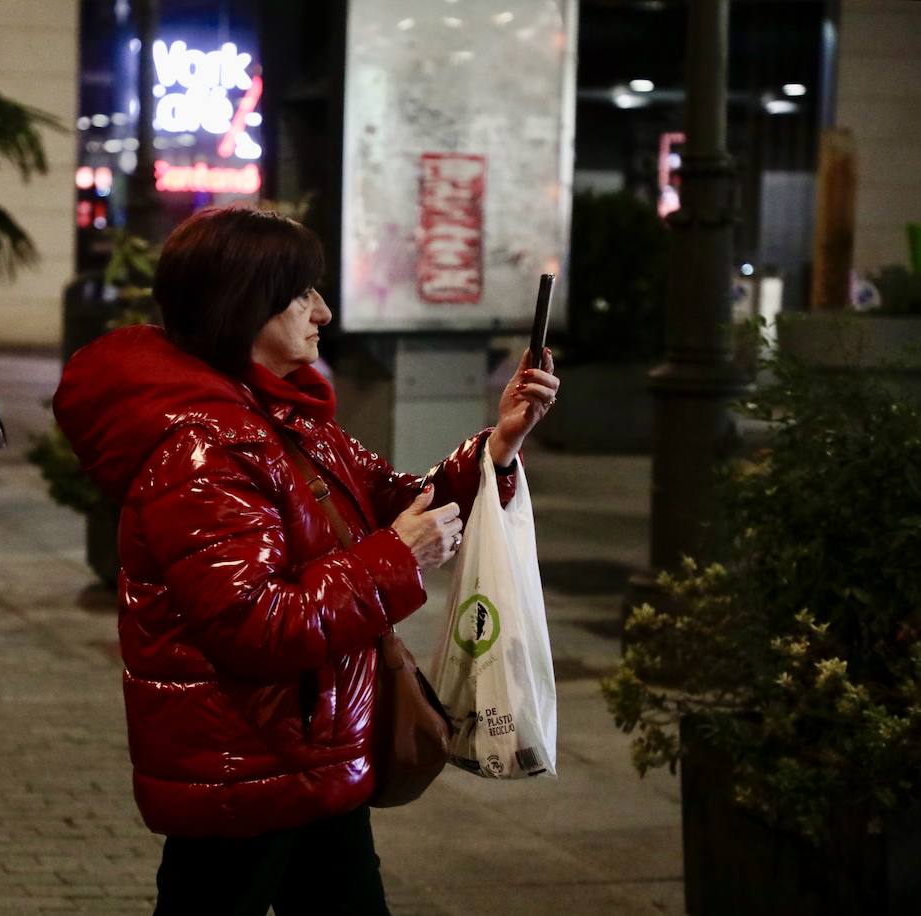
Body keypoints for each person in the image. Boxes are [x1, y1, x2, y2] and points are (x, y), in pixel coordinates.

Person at [53, 206, 560, 915]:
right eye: (301, 294)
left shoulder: (281, 419)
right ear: (243, 306)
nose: (322, 311)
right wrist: (395, 560)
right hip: (245, 772)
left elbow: (397, 505)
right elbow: (254, 623)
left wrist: (498, 446)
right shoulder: (207, 451)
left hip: (313, 757)